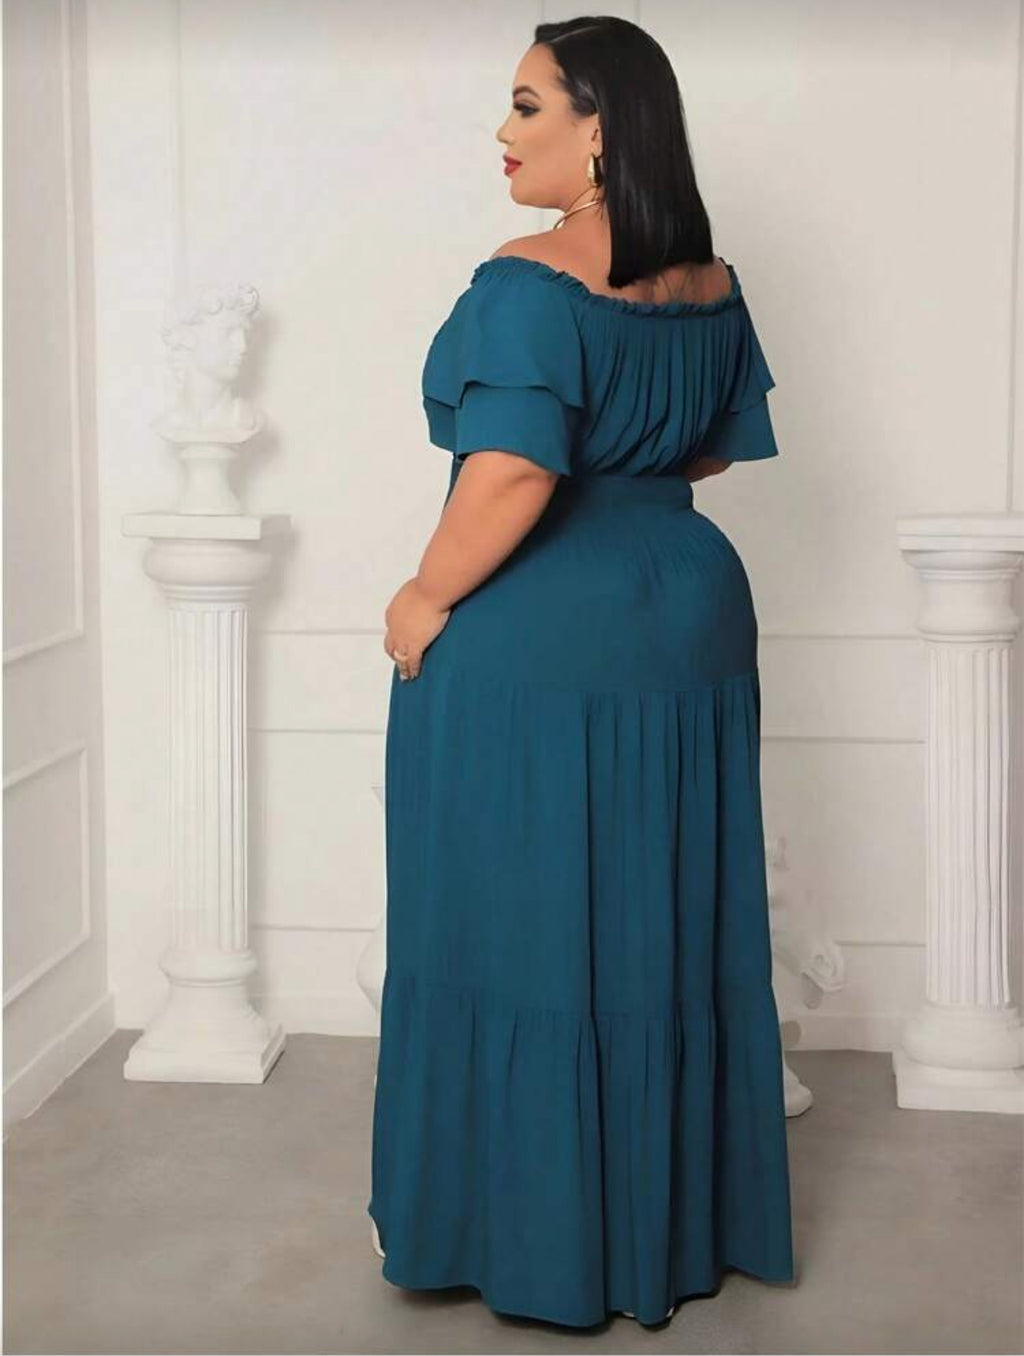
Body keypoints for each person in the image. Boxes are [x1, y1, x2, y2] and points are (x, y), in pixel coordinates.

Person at [369, 14, 795, 1330]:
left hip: (542, 626)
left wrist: (424, 593)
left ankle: (531, 1237)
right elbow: (712, 450)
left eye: (526, 106)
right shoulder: (709, 282)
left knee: (514, 918)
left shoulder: (527, 282)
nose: (501, 134)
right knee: (655, 920)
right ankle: (663, 1229)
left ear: (602, 128)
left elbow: (511, 471)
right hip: (687, 603)